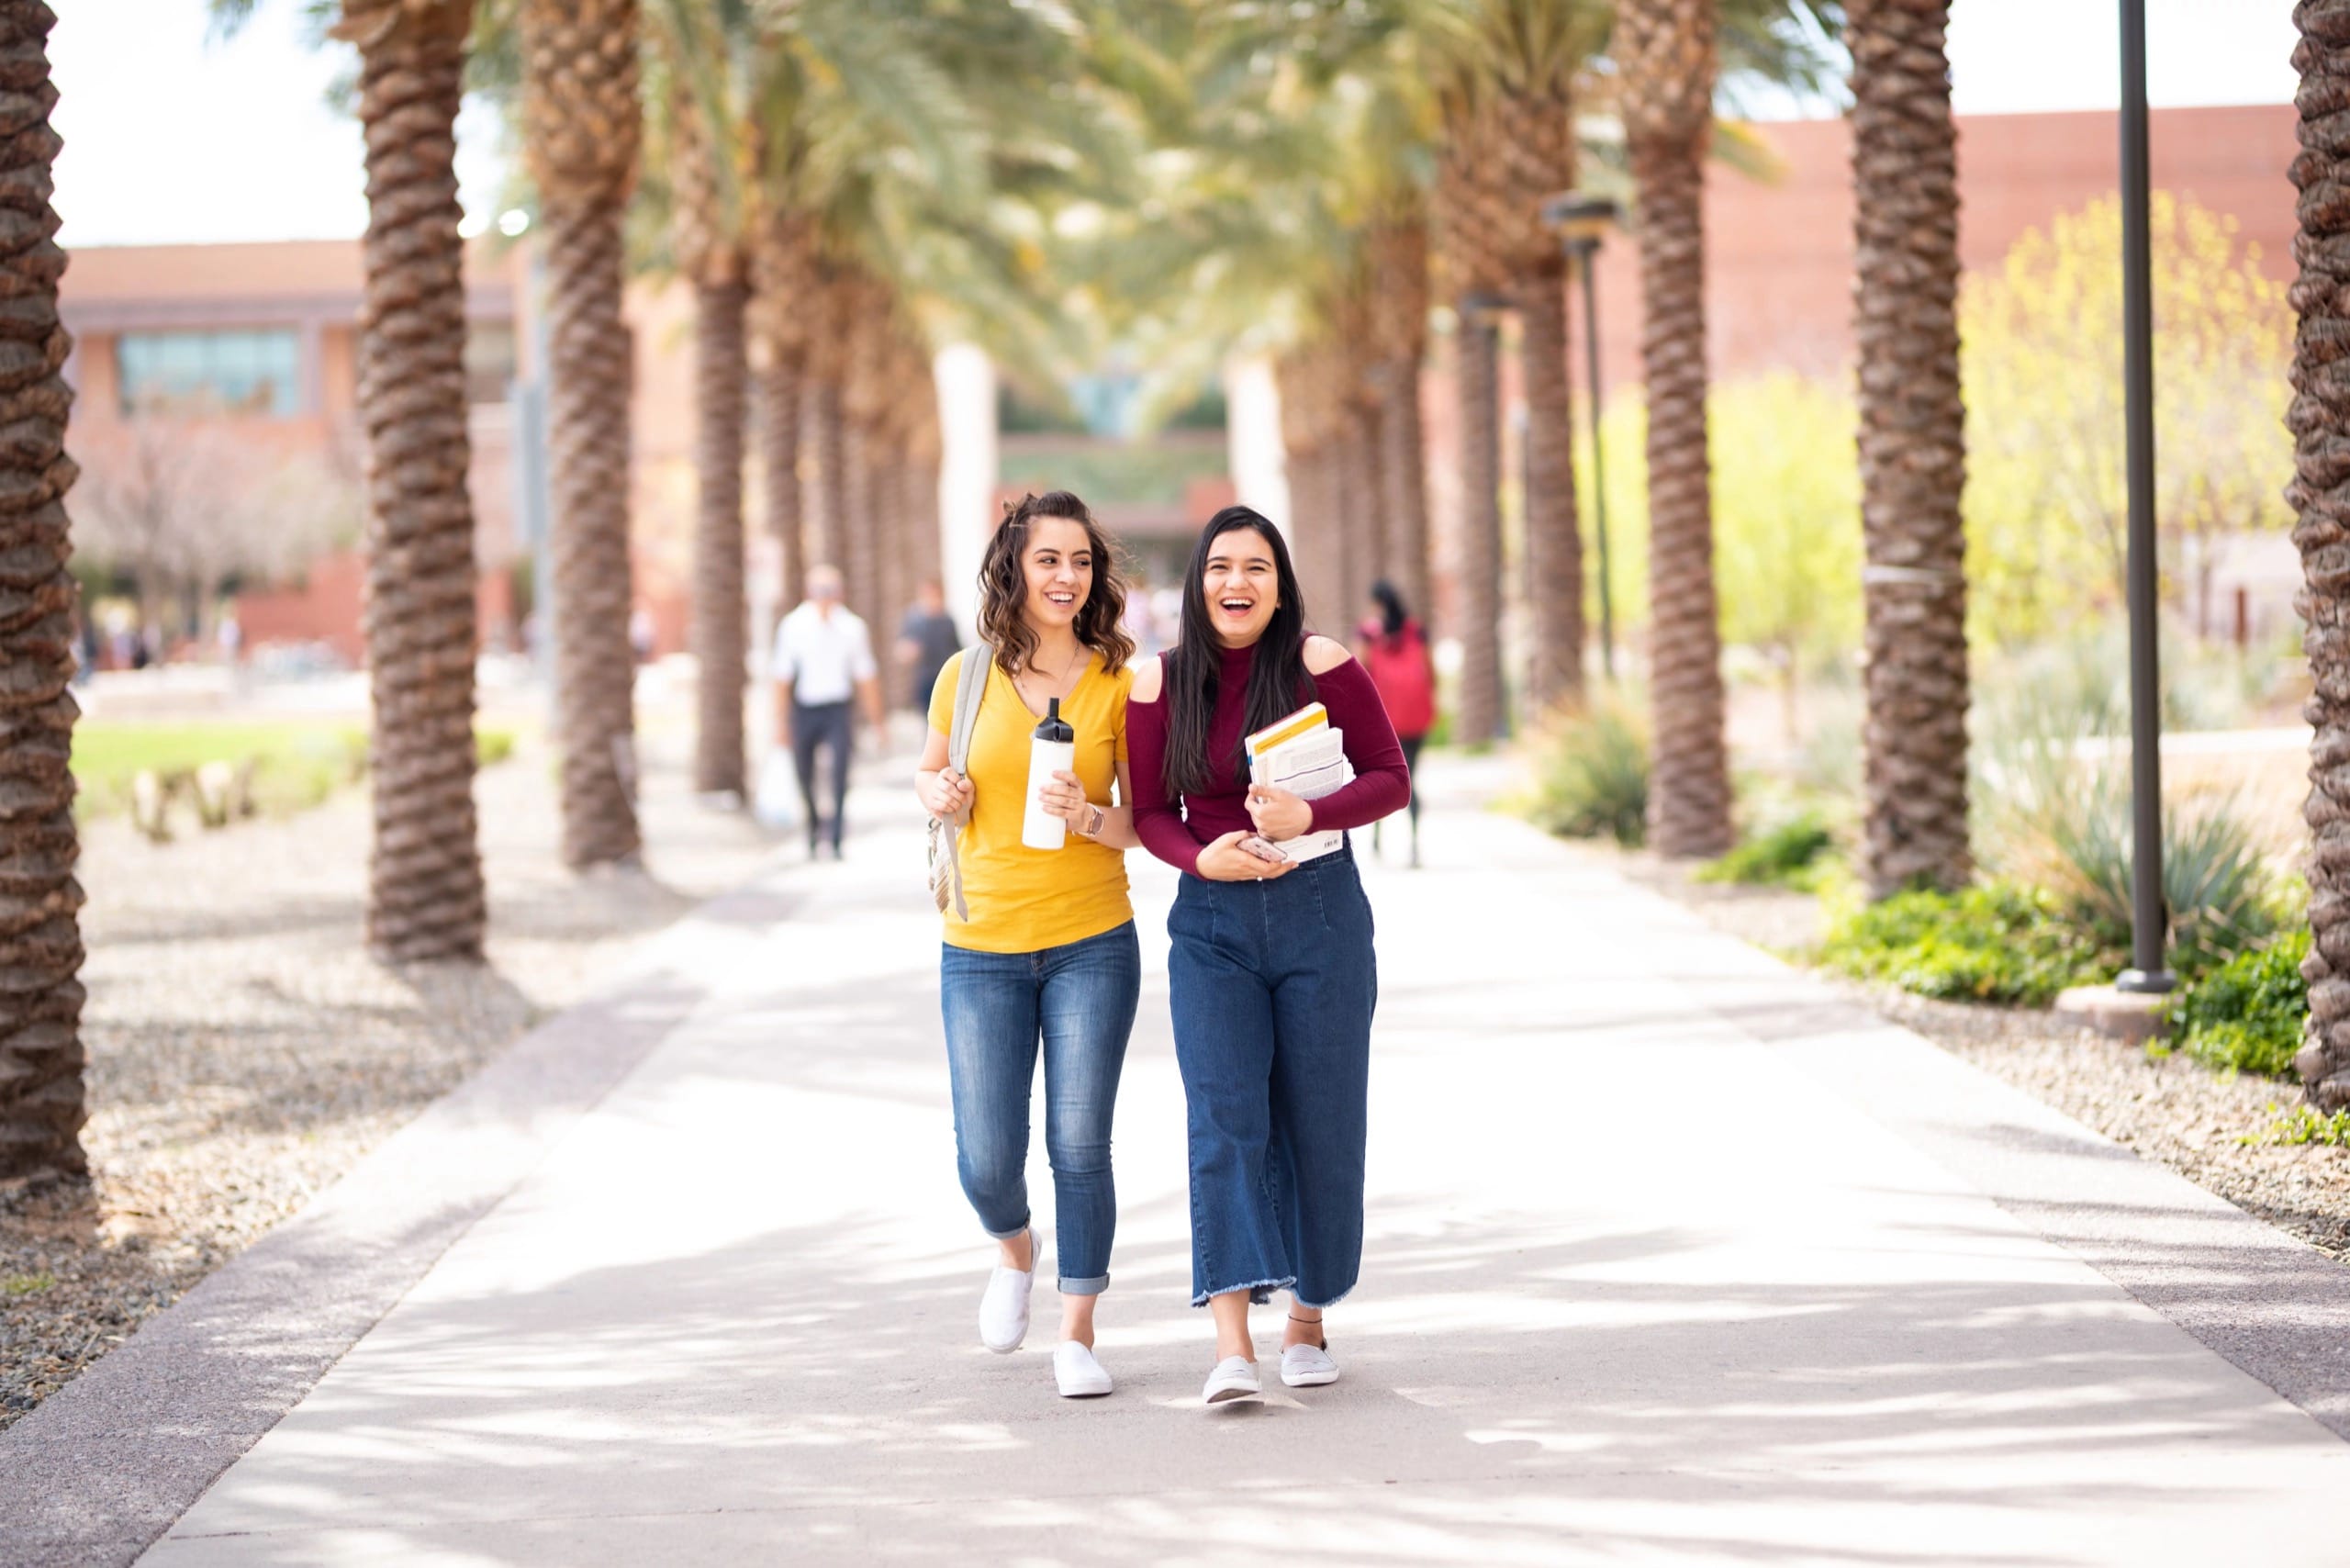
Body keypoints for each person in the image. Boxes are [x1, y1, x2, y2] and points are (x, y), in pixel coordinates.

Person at [1125, 505, 1409, 1406]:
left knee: (1321, 1123)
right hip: (1211, 926)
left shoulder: (1322, 667)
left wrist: (1310, 816)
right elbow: (1148, 815)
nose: (1234, 583)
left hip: (1320, 916)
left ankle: (1308, 1318)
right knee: (1225, 1122)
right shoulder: (1155, 683)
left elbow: (1389, 776)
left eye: (1254, 567)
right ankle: (1230, 1346)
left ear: (1278, 583)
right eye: (1218, 566)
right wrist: (1195, 856)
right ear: (1196, 581)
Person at [913, 491, 1148, 1400]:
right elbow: (931, 771)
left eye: (1081, 561)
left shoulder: (1118, 682)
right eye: (1049, 558)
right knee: (985, 1158)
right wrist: (938, 792)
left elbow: (1146, 822)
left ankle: (1078, 1330)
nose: (1065, 576)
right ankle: (1015, 1247)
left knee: (1080, 1143)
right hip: (980, 943)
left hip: (1092, 936)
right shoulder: (962, 676)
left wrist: (1088, 814)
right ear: (1015, 566)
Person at [774, 564, 885, 858]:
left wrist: (878, 723)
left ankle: (835, 837)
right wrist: (781, 723)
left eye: (830, 591)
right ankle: (813, 828)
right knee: (803, 773)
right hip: (804, 709)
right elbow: (781, 679)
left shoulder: (852, 627)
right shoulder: (793, 626)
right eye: (819, 591)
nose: (825, 597)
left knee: (839, 773)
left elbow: (866, 676)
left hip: (838, 709)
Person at [1356, 579, 1437, 868]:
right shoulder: (1417, 631)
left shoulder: (1368, 633)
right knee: (1411, 778)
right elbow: (1430, 671)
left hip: (1384, 719)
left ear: (1377, 604)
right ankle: (1414, 846)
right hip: (1416, 718)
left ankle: (1377, 841)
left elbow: (1360, 675)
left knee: (1381, 776)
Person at [896, 578, 962, 714]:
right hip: (924, 678)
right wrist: (908, 652)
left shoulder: (947, 620)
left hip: (945, 676)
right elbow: (901, 650)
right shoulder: (914, 620)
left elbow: (958, 649)